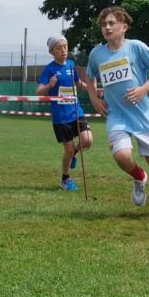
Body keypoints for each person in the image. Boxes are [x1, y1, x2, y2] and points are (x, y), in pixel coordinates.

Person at [85, 6, 149, 218]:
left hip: (142, 114)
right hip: (116, 114)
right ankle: (139, 176)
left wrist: (144, 89)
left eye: (111, 23)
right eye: (104, 24)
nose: (107, 27)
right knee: (121, 156)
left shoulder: (136, 47)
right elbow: (89, 77)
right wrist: (94, 98)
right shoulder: (97, 54)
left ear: (124, 27)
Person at [36, 35, 93, 191]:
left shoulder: (71, 65)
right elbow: (39, 91)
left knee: (87, 140)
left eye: (65, 47)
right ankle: (65, 179)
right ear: (51, 51)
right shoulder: (49, 69)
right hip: (61, 117)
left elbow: (78, 83)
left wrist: (92, 90)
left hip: (76, 111)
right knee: (67, 150)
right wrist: (49, 85)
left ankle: (74, 154)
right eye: (59, 48)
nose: (63, 50)